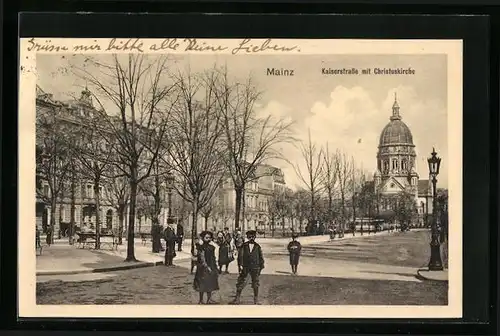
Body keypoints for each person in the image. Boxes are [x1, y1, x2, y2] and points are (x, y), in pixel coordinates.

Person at [230, 230, 265, 305]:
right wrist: (240, 266)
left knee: (255, 283)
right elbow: (240, 256)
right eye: (250, 237)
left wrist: (261, 266)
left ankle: (256, 300)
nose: (251, 238)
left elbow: (261, 257)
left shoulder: (257, 246)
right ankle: (237, 299)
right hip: (246, 267)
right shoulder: (244, 246)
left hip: (255, 267)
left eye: (253, 237)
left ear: (255, 237)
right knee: (241, 282)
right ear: (247, 237)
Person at [193, 231, 219, 304]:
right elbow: (201, 258)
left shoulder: (212, 247)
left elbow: (213, 258)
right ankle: (201, 300)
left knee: (210, 283)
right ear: (203, 238)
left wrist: (215, 267)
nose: (208, 239)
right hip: (202, 268)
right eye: (206, 238)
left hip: (211, 266)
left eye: (209, 238)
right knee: (201, 284)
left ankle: (209, 299)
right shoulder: (200, 248)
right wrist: (207, 267)